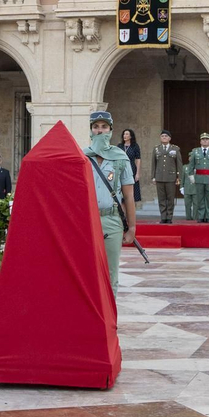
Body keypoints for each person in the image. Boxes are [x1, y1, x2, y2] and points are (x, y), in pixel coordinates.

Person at [83, 110, 136, 290]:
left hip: (111, 220)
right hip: (86, 221)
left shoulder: (120, 158)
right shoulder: (81, 157)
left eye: (104, 127)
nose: (100, 131)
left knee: (110, 274)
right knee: (86, 272)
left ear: (111, 130)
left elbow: (129, 196)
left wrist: (132, 227)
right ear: (91, 130)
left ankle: (108, 318)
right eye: (96, 127)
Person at [152, 131, 181, 224]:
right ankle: (163, 216)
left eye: (166, 136)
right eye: (162, 136)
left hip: (171, 177)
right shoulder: (156, 149)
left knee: (170, 198)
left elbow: (179, 164)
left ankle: (169, 217)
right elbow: (153, 164)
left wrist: (179, 177)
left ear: (169, 138)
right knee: (161, 198)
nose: (164, 137)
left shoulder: (175, 149)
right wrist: (153, 176)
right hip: (159, 177)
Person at [189, 133, 209, 223]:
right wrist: (191, 176)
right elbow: (191, 166)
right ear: (200, 141)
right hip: (199, 178)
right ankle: (201, 216)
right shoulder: (195, 151)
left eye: (206, 139)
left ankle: (208, 216)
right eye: (203, 139)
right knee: (200, 198)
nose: (205, 140)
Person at [120, 128, 143, 204]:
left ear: (131, 136)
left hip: (132, 169)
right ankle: (123, 214)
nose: (125, 135)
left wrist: (137, 173)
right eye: (124, 134)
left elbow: (138, 159)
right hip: (121, 169)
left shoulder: (135, 146)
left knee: (132, 193)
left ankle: (131, 213)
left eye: (127, 134)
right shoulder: (120, 146)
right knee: (121, 193)